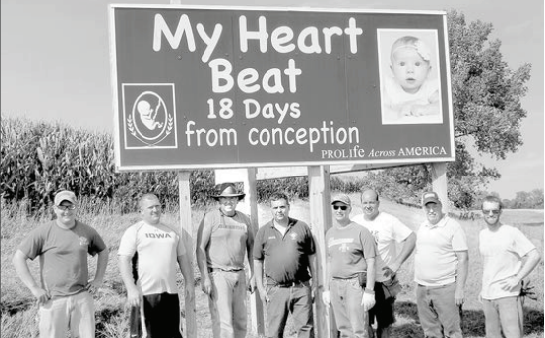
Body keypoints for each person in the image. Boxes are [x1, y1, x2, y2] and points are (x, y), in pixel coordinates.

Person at [12, 190, 109, 338]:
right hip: (52, 300)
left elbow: (103, 251)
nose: (66, 211)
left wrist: (98, 280)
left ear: (76, 207)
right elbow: (19, 257)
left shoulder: (87, 231)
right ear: (55, 209)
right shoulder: (43, 232)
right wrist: (34, 288)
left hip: (82, 297)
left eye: (70, 207)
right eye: (62, 207)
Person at [118, 193, 194, 338]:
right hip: (145, 295)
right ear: (141, 212)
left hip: (170, 294)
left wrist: (189, 282)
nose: (155, 210)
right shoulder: (135, 231)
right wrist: (131, 289)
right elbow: (123, 260)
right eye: (150, 207)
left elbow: (183, 258)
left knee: (173, 334)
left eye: (158, 206)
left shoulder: (171, 231)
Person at [352, 189, 416, 338]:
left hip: (384, 281)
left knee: (384, 324)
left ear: (378, 203)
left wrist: (397, 263)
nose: (368, 206)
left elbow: (411, 238)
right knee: (363, 323)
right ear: (361, 204)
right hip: (361, 282)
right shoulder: (355, 221)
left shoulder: (389, 220)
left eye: (372, 202)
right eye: (365, 202)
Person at [196, 182, 255, 338]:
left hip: (240, 274)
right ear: (219, 200)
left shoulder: (245, 220)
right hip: (218, 275)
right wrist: (205, 277)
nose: (228, 202)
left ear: (237, 200)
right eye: (224, 199)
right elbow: (200, 248)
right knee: (224, 324)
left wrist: (253, 275)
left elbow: (252, 249)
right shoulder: (210, 218)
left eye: (232, 198)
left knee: (241, 322)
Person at [254, 192, 317, 338]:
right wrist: (261, 289)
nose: (279, 210)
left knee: (306, 331)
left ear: (288, 207)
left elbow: (311, 257)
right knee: (275, 332)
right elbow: (257, 260)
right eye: (275, 207)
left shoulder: (302, 227)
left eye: (282, 206)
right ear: (271, 209)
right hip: (276, 289)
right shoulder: (263, 232)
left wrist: (315, 283)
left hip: (301, 287)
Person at [478, 195, 541, 338]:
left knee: (513, 334)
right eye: (487, 211)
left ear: (500, 211)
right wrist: (483, 289)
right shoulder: (482, 234)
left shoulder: (511, 232)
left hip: (508, 294)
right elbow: (487, 263)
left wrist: (517, 278)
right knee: (492, 335)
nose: (491, 214)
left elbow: (534, 255)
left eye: (494, 210)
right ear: (482, 212)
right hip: (488, 295)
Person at [323, 193, 377, 338]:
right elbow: (329, 261)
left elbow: (371, 262)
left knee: (358, 330)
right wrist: (327, 288)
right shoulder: (330, 234)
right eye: (336, 207)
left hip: (354, 285)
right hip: (335, 285)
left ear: (349, 209)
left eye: (343, 207)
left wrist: (370, 291)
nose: (339, 210)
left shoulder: (361, 231)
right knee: (344, 329)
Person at [414, 191, 468, 338]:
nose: (431, 210)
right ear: (424, 208)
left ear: (440, 205)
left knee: (452, 331)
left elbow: (463, 259)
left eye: (434, 205)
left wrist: (459, 290)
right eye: (427, 206)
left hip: (445, 288)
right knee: (430, 331)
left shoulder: (453, 227)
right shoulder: (423, 226)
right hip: (422, 288)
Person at [381, 35, 440, 122]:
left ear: (428, 70)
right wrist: (397, 113)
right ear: (392, 69)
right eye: (402, 64)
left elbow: (442, 105)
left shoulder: (428, 88)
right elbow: (381, 110)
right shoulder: (391, 89)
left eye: (417, 64)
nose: (410, 70)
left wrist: (426, 109)